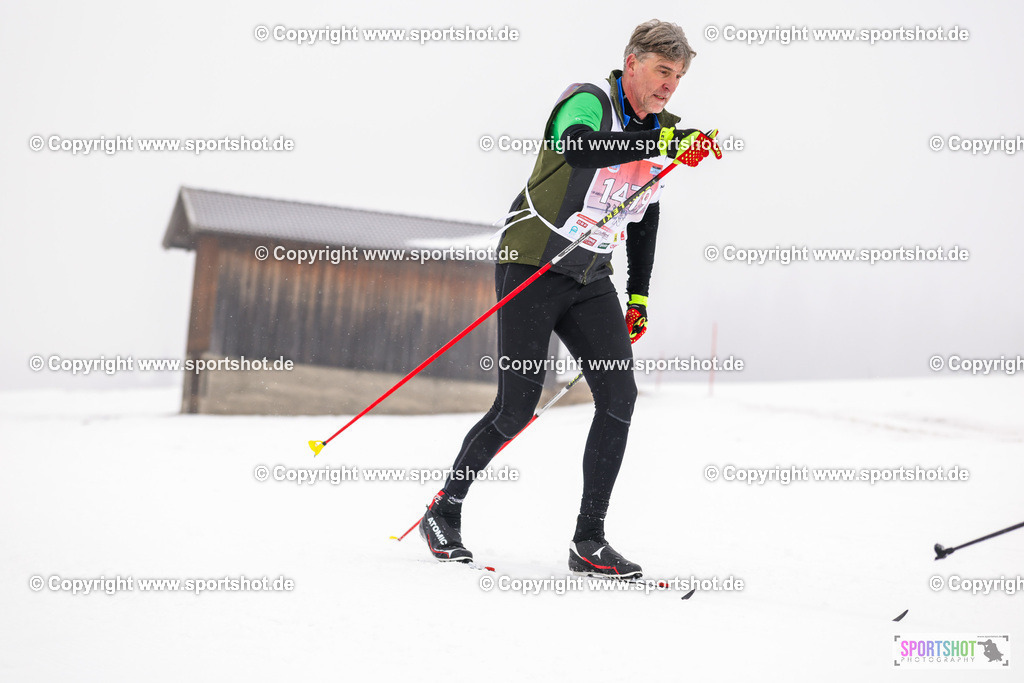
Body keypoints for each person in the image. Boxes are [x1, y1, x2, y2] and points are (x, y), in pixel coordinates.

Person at [419, 19, 720, 578]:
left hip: (589, 277)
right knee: (517, 407)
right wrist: (662, 141)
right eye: (661, 72)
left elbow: (645, 213)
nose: (669, 87)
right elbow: (580, 151)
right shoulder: (585, 102)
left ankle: (589, 540)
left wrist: (639, 297)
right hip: (532, 264)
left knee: (619, 396)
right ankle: (444, 511)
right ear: (632, 63)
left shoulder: (660, 128)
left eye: (678, 77)